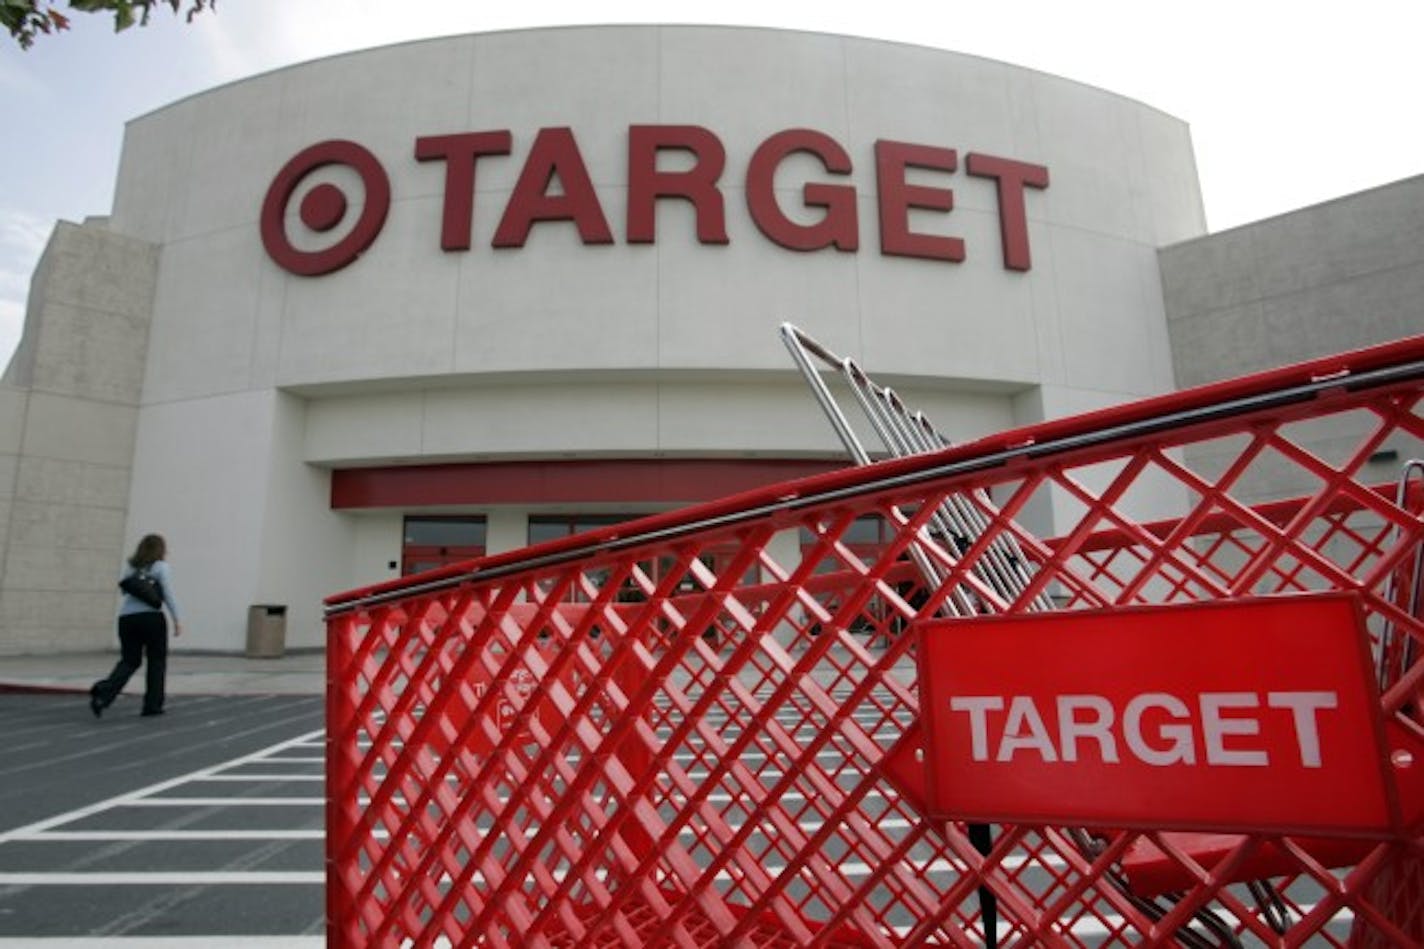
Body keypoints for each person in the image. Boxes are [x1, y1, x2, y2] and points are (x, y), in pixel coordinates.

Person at [90, 533, 183, 717]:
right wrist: (177, 619)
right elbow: (168, 594)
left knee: (129, 660)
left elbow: (125, 591)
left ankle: (104, 694)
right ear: (161, 549)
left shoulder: (131, 567)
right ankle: (152, 705)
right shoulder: (161, 567)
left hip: (127, 618)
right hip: (152, 619)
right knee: (156, 662)